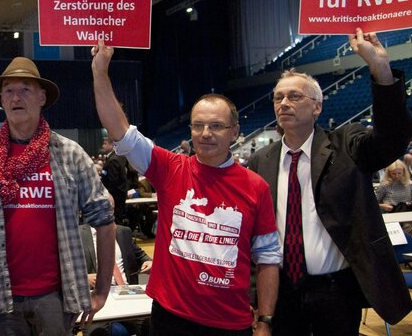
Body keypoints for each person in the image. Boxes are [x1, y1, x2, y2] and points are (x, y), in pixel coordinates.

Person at [91, 41, 281, 336]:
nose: (205, 134)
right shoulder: (170, 168)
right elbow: (121, 131)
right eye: (198, 126)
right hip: (171, 318)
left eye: (216, 126)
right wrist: (100, 71)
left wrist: (266, 320)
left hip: (230, 322)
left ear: (235, 132)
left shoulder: (256, 187)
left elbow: (268, 258)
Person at [247, 29, 412, 334]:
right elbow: (255, 233)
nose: (284, 103)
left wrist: (380, 69)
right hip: (281, 292)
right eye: (278, 97)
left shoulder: (346, 144)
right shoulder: (261, 162)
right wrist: (256, 297)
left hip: (336, 291)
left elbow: (392, 139)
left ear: (317, 107)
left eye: (294, 96)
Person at [0, 56, 117, 334]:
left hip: (57, 298)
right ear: (1, 99)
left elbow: (105, 221)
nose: (16, 97)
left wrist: (101, 289)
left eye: (25, 89)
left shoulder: (69, 154)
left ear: (41, 97)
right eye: (9, 91)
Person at [79, 223, 152, 336]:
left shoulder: (124, 231)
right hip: (97, 296)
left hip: (127, 295)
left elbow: (140, 256)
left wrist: (148, 261)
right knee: (96, 332)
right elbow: (63, 268)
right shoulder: (78, 233)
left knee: (151, 325)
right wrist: (84, 278)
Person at [101, 138, 132, 224]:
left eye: (105, 143)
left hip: (114, 197)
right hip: (118, 197)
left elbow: (114, 182)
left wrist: (108, 196)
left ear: (111, 145)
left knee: (115, 222)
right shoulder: (117, 157)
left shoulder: (113, 159)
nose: (103, 146)